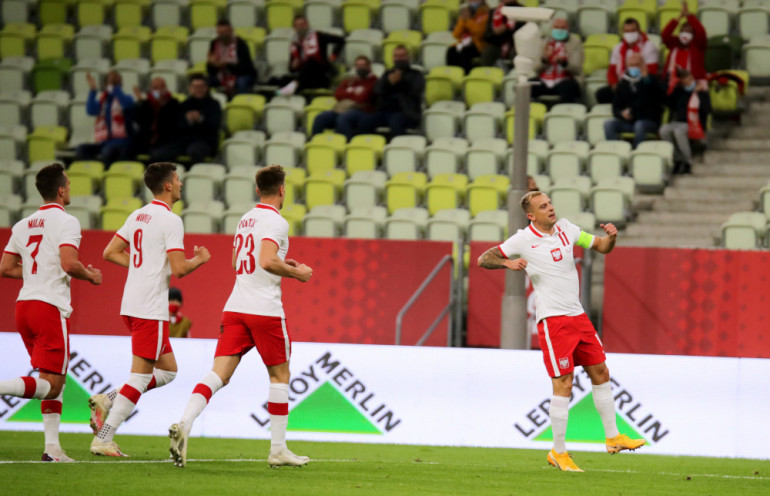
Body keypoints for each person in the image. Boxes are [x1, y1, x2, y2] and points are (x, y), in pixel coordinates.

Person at [476, 191, 645, 472]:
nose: (550, 208)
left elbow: (601, 246)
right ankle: (558, 451)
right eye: (543, 206)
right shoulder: (523, 239)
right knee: (564, 384)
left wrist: (612, 238)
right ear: (531, 215)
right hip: (553, 321)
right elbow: (484, 258)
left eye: (550, 203)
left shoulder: (567, 228)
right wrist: (507, 263)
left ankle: (614, 438)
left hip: (578, 316)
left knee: (601, 372)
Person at [168, 165, 313, 468]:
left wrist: (280, 263)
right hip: (265, 310)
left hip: (236, 307)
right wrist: (296, 272)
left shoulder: (246, 219)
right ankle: (277, 450)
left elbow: (238, 261)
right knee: (279, 376)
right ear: (282, 190)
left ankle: (185, 422)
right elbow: (266, 260)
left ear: (258, 190)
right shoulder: (277, 221)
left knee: (219, 373)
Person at [89, 162, 211, 457]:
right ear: (168, 185)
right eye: (178, 180)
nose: (181, 184)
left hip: (131, 303)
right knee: (141, 377)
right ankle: (103, 438)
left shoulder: (138, 215)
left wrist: (143, 266)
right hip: (150, 307)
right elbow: (180, 269)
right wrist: (201, 260)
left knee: (168, 371)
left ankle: (108, 399)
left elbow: (109, 252)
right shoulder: (171, 221)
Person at [0, 163, 103, 462]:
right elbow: (69, 263)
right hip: (48, 307)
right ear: (60, 190)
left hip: (24, 307)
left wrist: (38, 272)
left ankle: (53, 448)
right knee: (52, 385)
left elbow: (5, 268)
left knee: (52, 379)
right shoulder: (67, 222)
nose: (70, 189)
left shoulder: (22, 225)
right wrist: (92, 276)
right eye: (68, 185)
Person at [150, 74, 222, 165]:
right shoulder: (185, 104)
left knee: (194, 150)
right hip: (184, 141)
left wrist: (200, 119)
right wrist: (189, 120)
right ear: (190, 88)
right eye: (195, 86)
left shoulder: (214, 105)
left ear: (207, 87)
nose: (198, 89)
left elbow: (214, 125)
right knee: (158, 153)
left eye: (202, 86)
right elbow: (177, 125)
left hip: (205, 141)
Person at [360, 45, 425, 138]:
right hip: (385, 112)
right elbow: (377, 90)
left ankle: (398, 148)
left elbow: (416, 91)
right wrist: (389, 82)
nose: (399, 59)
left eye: (402, 56)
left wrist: (399, 82)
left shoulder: (416, 74)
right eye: (396, 56)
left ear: (408, 57)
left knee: (395, 121)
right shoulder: (388, 73)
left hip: (407, 113)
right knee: (366, 121)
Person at [603, 52, 664, 147]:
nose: (634, 67)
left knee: (639, 125)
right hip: (629, 122)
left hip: (648, 121)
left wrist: (645, 79)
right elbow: (615, 107)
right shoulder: (623, 83)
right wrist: (621, 113)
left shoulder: (652, 81)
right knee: (608, 124)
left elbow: (652, 100)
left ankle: (637, 154)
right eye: (631, 65)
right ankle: (616, 151)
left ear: (643, 65)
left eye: (637, 64)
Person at [310, 55, 378, 140]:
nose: (360, 68)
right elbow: (337, 94)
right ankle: (315, 142)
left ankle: (348, 145)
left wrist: (348, 93)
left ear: (369, 67)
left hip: (361, 111)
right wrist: (353, 93)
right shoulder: (349, 80)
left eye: (363, 66)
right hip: (342, 109)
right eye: (358, 66)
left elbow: (363, 98)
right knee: (320, 118)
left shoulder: (373, 81)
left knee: (343, 118)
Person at [76, 71, 134, 166]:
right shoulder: (104, 100)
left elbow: (126, 105)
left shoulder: (127, 98)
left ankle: (107, 176)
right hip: (104, 141)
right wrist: (93, 90)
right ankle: (94, 171)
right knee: (81, 150)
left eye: (114, 82)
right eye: (109, 82)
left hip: (122, 141)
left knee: (107, 151)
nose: (111, 85)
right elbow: (90, 110)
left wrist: (115, 88)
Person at [277, 15, 345, 96]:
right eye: (299, 25)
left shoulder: (318, 36)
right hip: (305, 78)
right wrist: (293, 66)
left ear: (307, 25)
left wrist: (334, 55)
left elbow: (340, 40)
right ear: (294, 27)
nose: (301, 27)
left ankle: (294, 86)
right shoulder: (294, 44)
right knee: (281, 80)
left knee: (310, 62)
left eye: (303, 24)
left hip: (320, 76)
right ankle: (294, 87)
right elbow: (291, 69)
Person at [596, 18, 659, 104]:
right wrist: (615, 85)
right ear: (623, 33)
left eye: (632, 31)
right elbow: (611, 72)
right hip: (622, 84)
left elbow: (652, 72)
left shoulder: (649, 47)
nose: (630, 34)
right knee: (601, 94)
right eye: (627, 31)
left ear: (638, 31)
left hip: (640, 85)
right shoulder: (618, 48)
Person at [660, 68, 711, 175]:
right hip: (679, 121)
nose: (688, 82)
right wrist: (672, 88)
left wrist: (697, 94)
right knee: (664, 130)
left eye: (689, 79)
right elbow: (668, 103)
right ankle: (676, 158)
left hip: (695, 123)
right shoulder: (679, 92)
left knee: (679, 131)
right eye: (685, 81)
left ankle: (687, 161)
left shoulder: (702, 92)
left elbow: (707, 109)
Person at [530, 17, 583, 104]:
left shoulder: (575, 42)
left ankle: (564, 113)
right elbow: (535, 68)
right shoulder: (544, 43)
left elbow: (577, 68)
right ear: (552, 28)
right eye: (556, 27)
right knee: (527, 85)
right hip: (545, 80)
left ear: (568, 29)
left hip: (566, 80)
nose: (559, 30)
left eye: (562, 28)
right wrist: (545, 59)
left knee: (567, 87)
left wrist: (564, 62)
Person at [661, 2, 707, 93]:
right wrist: (678, 18)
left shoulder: (698, 45)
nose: (685, 34)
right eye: (683, 31)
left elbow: (701, 33)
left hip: (692, 82)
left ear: (694, 35)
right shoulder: (674, 43)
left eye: (689, 32)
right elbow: (665, 34)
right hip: (672, 81)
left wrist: (689, 16)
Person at [132, 77, 182, 159]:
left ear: (164, 88)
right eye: (153, 88)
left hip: (167, 140)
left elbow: (171, 124)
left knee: (157, 155)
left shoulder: (173, 103)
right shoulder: (146, 104)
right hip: (148, 139)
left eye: (158, 87)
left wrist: (162, 107)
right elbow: (141, 122)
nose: (156, 90)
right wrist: (141, 103)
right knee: (130, 149)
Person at [206, 19, 257, 98]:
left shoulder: (240, 44)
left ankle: (241, 104)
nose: (222, 35)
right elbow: (210, 70)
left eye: (225, 32)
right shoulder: (214, 43)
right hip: (221, 74)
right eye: (220, 33)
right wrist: (212, 64)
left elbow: (246, 68)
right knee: (205, 81)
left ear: (231, 31)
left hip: (241, 74)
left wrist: (227, 64)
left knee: (241, 82)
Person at [446, 1, 490, 74]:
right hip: (464, 43)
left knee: (464, 52)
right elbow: (456, 34)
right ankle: (452, 75)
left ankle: (465, 76)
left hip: (479, 45)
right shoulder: (466, 13)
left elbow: (479, 33)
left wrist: (468, 20)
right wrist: (463, 19)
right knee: (451, 51)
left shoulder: (485, 14)